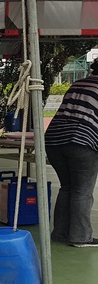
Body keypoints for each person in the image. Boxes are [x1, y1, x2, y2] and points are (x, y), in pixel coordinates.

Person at [44, 58, 98, 247]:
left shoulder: (78, 83)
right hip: (81, 141)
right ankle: (80, 237)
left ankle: (60, 233)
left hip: (53, 140)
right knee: (82, 190)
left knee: (67, 187)